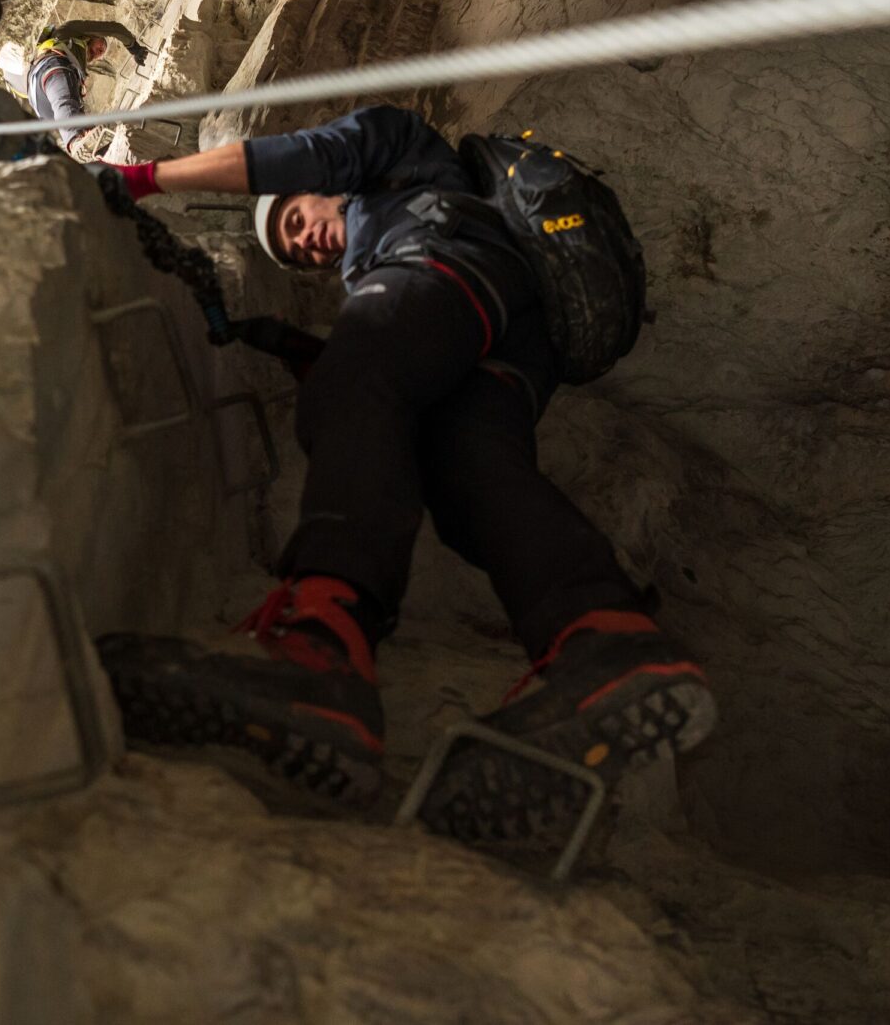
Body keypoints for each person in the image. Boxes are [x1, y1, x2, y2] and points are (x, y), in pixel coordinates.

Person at [89, 105, 716, 846]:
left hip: (454, 262)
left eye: (296, 222)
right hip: (513, 338)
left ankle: (321, 646)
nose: (308, 245)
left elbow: (296, 155)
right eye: (298, 255)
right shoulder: (382, 258)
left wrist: (143, 179)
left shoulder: (398, 150)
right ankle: (605, 639)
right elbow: (408, 355)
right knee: (467, 474)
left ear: (325, 190)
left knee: (357, 373)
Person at [25, 20, 147, 161]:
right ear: (91, 36)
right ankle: (75, 141)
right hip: (51, 70)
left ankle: (101, 155)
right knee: (67, 104)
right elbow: (115, 28)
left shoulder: (74, 68)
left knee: (89, 129)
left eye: (101, 54)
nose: (99, 53)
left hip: (40, 102)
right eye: (101, 46)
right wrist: (134, 47)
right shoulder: (70, 31)